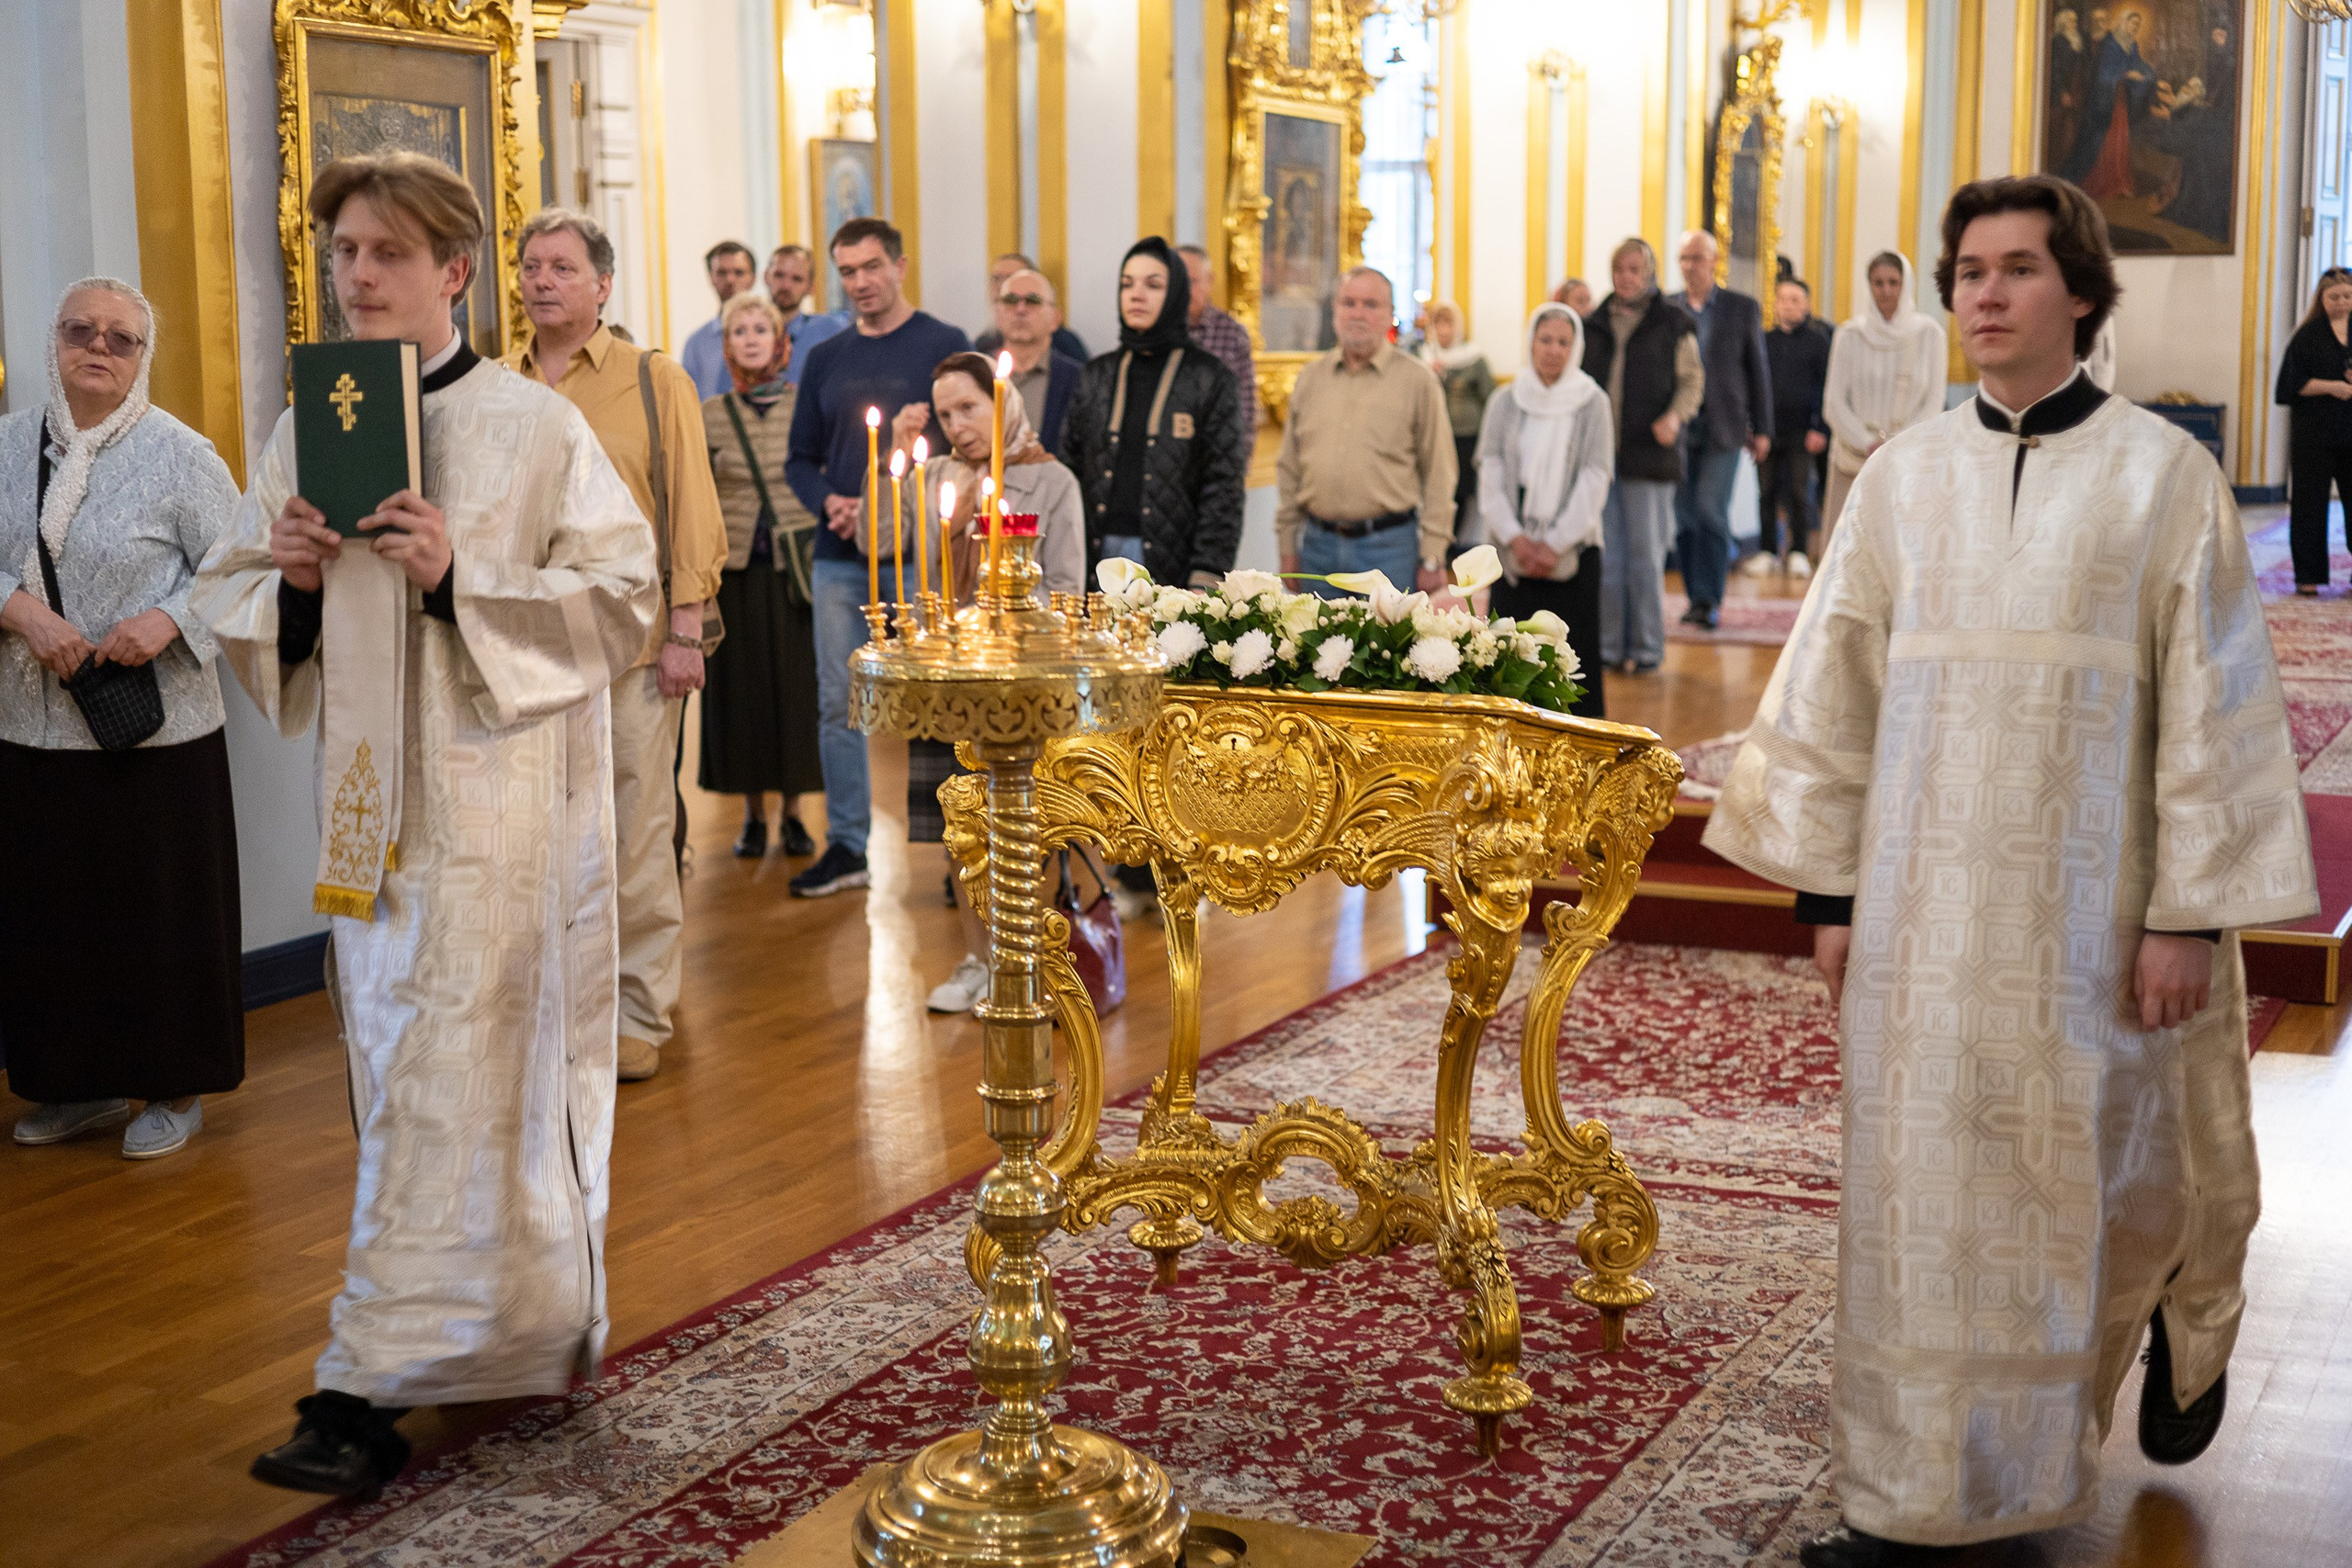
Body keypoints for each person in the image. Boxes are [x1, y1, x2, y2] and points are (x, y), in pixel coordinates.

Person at [1705, 174, 2316, 1568]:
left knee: (2072, 1194)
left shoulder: (2167, 478)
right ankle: (1900, 1500)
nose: (1982, 294)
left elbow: (2216, 711)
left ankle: (2097, 1393)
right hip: (1920, 916)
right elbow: (1831, 687)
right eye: (1965, 271)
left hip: (2091, 922)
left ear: (2081, 294)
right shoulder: (1905, 477)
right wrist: (1831, 896)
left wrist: (2181, 918)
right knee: (1912, 1204)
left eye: (2017, 269)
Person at [196, 151, 657, 1497]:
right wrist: (278, 582)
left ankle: (364, 1377)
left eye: (387, 251)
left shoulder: (533, 423)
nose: (357, 274)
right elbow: (236, 588)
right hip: (371, 817)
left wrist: (465, 576)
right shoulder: (311, 423)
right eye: (343, 250)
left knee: (473, 1080)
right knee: (409, 1081)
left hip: (506, 806)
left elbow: (622, 594)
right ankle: (516, 1328)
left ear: (453, 270)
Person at [0, 278, 243, 1160]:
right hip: (34, 727)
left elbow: (240, 567)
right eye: (80, 331)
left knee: (159, 915)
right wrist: (21, 610)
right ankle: (77, 1082)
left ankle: (172, 1085)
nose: (97, 348)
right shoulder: (8, 443)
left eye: (121, 338)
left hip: (158, 732)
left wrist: (171, 618)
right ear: (54, 340)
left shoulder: (182, 455)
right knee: (55, 914)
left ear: (144, 357)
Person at [506, 208, 727, 1085]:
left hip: (635, 647)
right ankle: (560, 1001)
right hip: (532, 648)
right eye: (530, 266)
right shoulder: (500, 383)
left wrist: (685, 628)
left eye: (562, 266)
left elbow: (693, 507)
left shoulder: (652, 378)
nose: (542, 279)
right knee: (541, 836)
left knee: (635, 831)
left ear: (602, 284)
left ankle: (639, 1009)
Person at [784, 216, 969, 897]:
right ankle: (848, 844)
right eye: (848, 271)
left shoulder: (943, 344)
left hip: (924, 558)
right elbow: (798, 459)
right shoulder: (827, 356)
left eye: (870, 268)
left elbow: (968, 437)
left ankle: (963, 848)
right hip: (841, 555)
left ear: (900, 266)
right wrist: (831, 501)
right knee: (839, 702)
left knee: (947, 703)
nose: (859, 282)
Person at [907, 354, 1087, 1012]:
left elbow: (1067, 586)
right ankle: (976, 958)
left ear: (1002, 403)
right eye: (946, 413)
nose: (958, 426)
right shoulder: (933, 478)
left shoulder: (1051, 481)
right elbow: (895, 555)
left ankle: (1035, 961)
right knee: (962, 827)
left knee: (1028, 829)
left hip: (1022, 680)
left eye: (970, 408)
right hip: (952, 673)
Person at [701, 292, 822, 857]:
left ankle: (796, 812)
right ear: (726, 346)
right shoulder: (707, 414)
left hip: (796, 568)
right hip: (736, 572)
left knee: (797, 691)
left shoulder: (808, 406)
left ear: (781, 343)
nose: (750, 338)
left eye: (760, 329)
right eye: (739, 331)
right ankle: (751, 813)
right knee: (742, 692)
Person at [1063, 237, 1250, 589]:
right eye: (1127, 284)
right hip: (1094, 557)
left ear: (1176, 293)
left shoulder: (1210, 377)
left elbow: (1223, 487)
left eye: (1153, 285)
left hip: (1173, 563)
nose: (1136, 295)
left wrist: (1206, 573)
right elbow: (1069, 467)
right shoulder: (1096, 374)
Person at [1276, 265, 1456, 599]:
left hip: (1389, 550)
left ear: (1390, 315)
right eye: (1349, 303)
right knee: (1314, 649)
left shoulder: (1417, 381)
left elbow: (1439, 474)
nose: (1358, 313)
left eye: (1371, 305)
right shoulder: (1310, 379)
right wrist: (1287, 544)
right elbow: (1289, 468)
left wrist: (1433, 555)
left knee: (1389, 651)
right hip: (1317, 549)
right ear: (1335, 311)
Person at [1475, 303, 1611, 719]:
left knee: (1573, 671)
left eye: (1563, 342)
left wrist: (1552, 544)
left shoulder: (1593, 402)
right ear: (1531, 342)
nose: (1553, 350)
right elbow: (1491, 473)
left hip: (1571, 556)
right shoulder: (1505, 400)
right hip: (1514, 558)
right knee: (1510, 667)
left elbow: (1594, 479)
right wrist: (1517, 539)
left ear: (1576, 348)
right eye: (1545, 340)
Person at [1582, 237, 1702, 673]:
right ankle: (1611, 647)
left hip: (1650, 457)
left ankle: (1648, 647)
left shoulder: (1672, 322)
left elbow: (1692, 382)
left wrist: (1674, 418)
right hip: (1601, 461)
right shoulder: (1593, 322)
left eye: (1635, 269)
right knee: (1608, 560)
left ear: (1649, 273)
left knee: (1646, 557)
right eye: (1620, 269)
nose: (1626, 277)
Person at [1665, 231, 1772, 630]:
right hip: (1679, 426)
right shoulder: (1668, 307)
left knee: (1711, 511)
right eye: (1683, 258)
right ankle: (1695, 598)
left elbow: (1757, 370)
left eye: (1696, 258)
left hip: (1724, 425)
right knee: (1685, 517)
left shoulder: (1740, 308)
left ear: (1714, 261)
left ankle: (1710, 598)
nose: (1690, 266)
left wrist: (1763, 428)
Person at [1820, 251, 1945, 556]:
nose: (1886, 290)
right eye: (1878, 283)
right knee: (1845, 557)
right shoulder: (1850, 334)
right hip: (1853, 459)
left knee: (1901, 557)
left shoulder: (1929, 334)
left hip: (1909, 461)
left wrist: (1895, 445)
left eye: (1893, 282)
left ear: (1907, 285)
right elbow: (1834, 402)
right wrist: (1866, 443)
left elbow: (1933, 402)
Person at [2276, 265, 2352, 596]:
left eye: (2347, 296)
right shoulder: (2306, 336)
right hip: (2313, 436)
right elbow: (2291, 385)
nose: (2341, 302)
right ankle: (2308, 576)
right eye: (2333, 297)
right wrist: (2333, 387)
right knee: (2309, 506)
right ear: (2321, 299)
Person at [1754, 276, 1831, 581]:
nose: (1788, 305)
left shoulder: (1818, 342)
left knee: (1800, 491)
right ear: (1775, 304)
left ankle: (1798, 550)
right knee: (1766, 491)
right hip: (1768, 430)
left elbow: (1825, 387)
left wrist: (1820, 428)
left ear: (1807, 305)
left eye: (1795, 300)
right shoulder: (1763, 340)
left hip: (1803, 430)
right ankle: (1768, 551)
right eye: (1783, 299)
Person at [1420, 299, 1496, 558]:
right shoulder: (1423, 359)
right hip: (1433, 437)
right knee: (1434, 490)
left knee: (1461, 492)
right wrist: (1430, 374)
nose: (1443, 330)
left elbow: (1490, 397)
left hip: (1466, 436)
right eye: (1438, 324)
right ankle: (1435, 545)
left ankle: (1451, 547)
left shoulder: (1473, 359)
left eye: (1448, 323)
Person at [991, 266, 1082, 453]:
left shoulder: (1078, 380)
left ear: (1055, 318)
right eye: (1010, 300)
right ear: (997, 316)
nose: (1020, 309)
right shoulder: (978, 374)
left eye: (1033, 301)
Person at [1178, 243, 1259, 446]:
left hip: (1216, 453)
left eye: (1193, 281)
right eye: (1178, 282)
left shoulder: (1232, 334)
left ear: (1209, 281)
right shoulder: (1156, 333)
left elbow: (1245, 410)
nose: (1185, 290)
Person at [973, 251, 1088, 362]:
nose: (1000, 286)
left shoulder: (1064, 344)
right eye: (996, 279)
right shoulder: (984, 344)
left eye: (1011, 277)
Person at [681, 240, 758, 398]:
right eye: (722, 273)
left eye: (739, 272)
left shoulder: (772, 335)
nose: (730, 280)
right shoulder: (696, 343)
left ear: (753, 278)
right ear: (711, 277)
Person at [763, 243, 847, 385]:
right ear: (766, 277)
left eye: (797, 279)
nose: (786, 285)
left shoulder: (830, 331)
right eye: (779, 275)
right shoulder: (744, 332)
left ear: (811, 287)